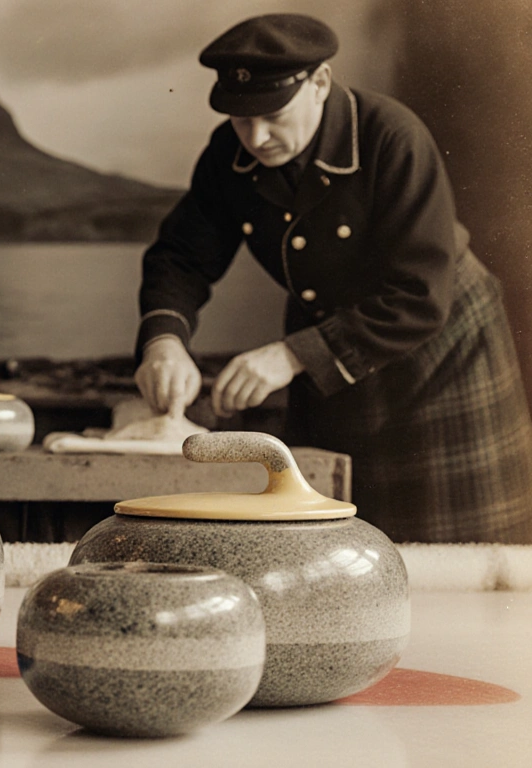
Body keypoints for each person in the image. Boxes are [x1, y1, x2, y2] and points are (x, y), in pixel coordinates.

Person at [132, 13, 532, 543]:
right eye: (240, 119)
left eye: (273, 114)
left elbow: (419, 296)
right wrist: (164, 342)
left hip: (440, 349)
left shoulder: (393, 137)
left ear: (319, 82)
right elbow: (181, 256)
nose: (256, 137)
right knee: (332, 537)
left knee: (459, 549)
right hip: (326, 349)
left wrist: (289, 355)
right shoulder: (228, 153)